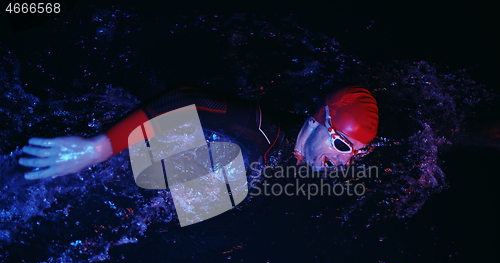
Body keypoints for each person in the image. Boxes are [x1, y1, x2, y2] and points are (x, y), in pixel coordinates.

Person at [18, 85, 379, 179]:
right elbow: (188, 98)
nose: (343, 161)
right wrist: (99, 149)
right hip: (136, 141)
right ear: (318, 121)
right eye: (340, 144)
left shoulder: (303, 158)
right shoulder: (261, 130)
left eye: (355, 153)